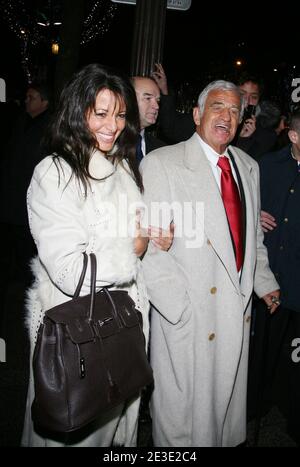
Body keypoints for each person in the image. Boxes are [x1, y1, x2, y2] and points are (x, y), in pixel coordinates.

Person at [21, 63, 170, 447]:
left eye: (120, 115)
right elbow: (69, 270)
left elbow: (127, 228)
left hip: (122, 326)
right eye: (100, 113)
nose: (113, 125)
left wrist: (154, 235)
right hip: (79, 336)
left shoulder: (121, 167)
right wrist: (133, 247)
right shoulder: (55, 173)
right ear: (77, 112)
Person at [140, 80, 280, 447]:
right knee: (184, 428)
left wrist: (263, 282)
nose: (227, 116)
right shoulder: (162, 164)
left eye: (236, 110)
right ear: (198, 114)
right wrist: (180, 312)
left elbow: (252, 238)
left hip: (234, 315)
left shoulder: (248, 167)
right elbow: (151, 252)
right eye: (218, 106)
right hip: (190, 322)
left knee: (221, 422)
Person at [248, 111, 300, 444]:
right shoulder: (266, 165)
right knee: (259, 358)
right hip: (267, 282)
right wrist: (256, 211)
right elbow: (243, 207)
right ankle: (252, 418)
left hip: (297, 282)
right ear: (294, 137)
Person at [131, 76, 165, 163]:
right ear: (129, 99)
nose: (157, 106)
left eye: (157, 100)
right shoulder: (108, 144)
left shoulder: (161, 149)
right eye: (148, 98)